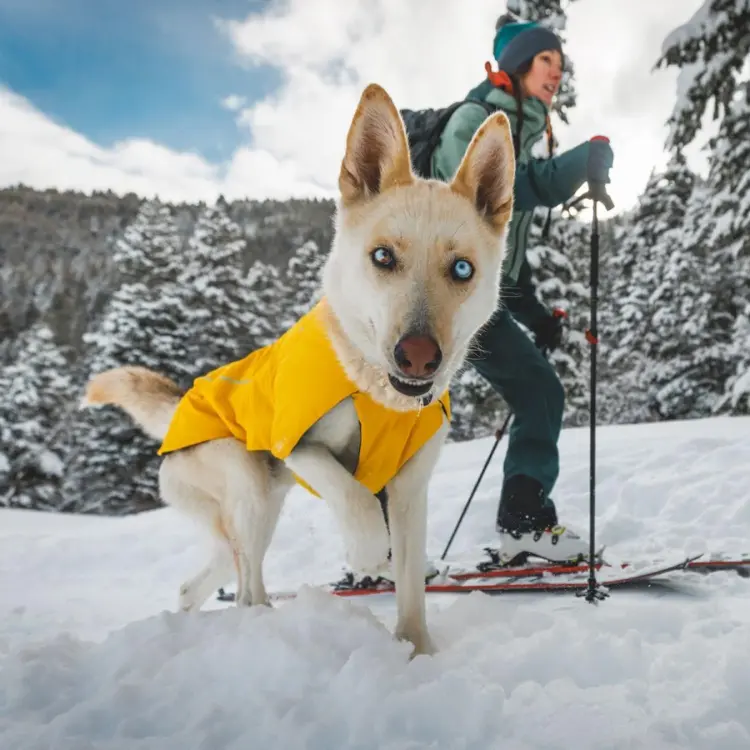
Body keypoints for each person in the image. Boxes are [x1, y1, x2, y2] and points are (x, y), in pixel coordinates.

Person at [430, 15, 614, 564]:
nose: (557, 72)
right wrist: (573, 168)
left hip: (476, 299)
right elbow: (478, 202)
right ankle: (376, 546)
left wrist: (536, 315)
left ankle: (525, 524)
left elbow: (497, 258)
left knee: (540, 392)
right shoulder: (474, 120)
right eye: (545, 60)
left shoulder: (521, 134)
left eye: (560, 63)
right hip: (434, 299)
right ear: (517, 64)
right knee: (405, 413)